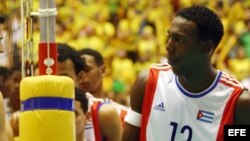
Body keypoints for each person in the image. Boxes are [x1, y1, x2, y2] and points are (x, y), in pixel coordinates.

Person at [122, 5, 250, 141]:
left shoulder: (238, 102)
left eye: (179, 40)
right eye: (169, 37)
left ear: (206, 47)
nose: (168, 46)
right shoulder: (147, 82)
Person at [57, 44, 124, 141]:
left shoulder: (104, 114)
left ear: (78, 77)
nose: (55, 84)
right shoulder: (31, 111)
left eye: (64, 78)